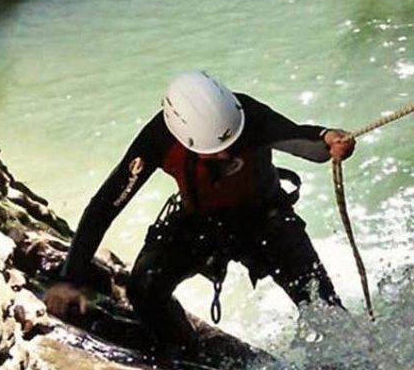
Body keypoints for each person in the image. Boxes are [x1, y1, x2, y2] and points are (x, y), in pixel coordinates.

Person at [44, 70, 355, 351]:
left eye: (229, 143)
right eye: (213, 150)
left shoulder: (247, 114)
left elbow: (304, 142)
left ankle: (351, 369)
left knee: (323, 306)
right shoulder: (159, 138)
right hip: (200, 225)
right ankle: (181, 346)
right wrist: (70, 278)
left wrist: (329, 139)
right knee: (144, 287)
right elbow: (106, 204)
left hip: (267, 219)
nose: (224, 153)